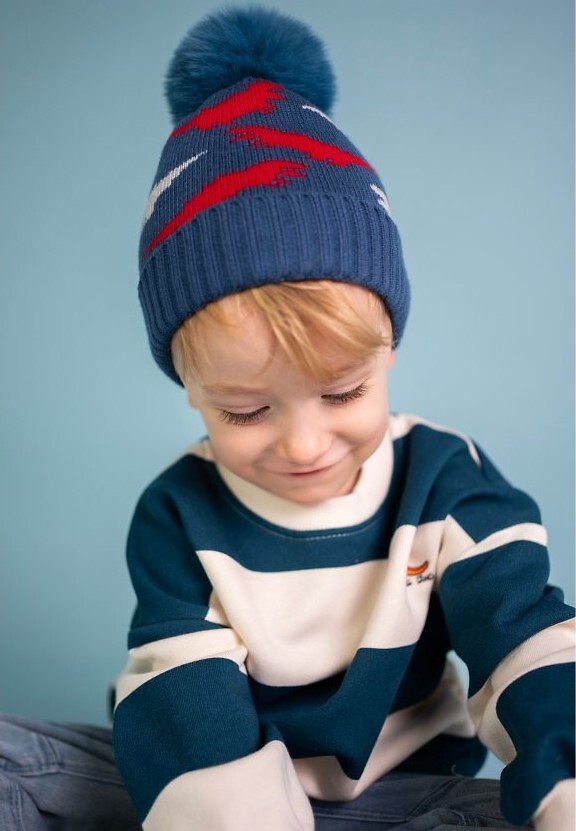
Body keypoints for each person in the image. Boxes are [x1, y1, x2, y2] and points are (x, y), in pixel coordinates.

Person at [1, 6, 574, 831]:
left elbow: (526, 639)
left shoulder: (446, 480)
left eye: (343, 393)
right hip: (229, 795)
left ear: (389, 352)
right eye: (244, 410)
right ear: (191, 388)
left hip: (416, 796)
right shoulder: (180, 514)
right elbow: (187, 706)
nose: (304, 445)